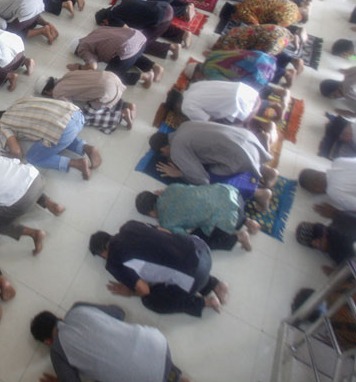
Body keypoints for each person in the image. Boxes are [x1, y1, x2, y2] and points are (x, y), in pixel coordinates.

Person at [89, 220, 228, 317]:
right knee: (179, 263)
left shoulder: (113, 261)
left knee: (150, 300)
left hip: (195, 276)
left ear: (103, 254)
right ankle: (215, 284)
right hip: (202, 249)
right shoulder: (129, 225)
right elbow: (164, 231)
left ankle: (205, 302)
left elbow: (144, 289)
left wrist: (131, 292)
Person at [29, 304, 191, 382]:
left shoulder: (57, 351)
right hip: (156, 342)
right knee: (162, 369)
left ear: (48, 341)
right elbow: (119, 312)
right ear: (60, 318)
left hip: (143, 375)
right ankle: (174, 376)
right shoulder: (77, 308)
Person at [149, 121, 277, 210]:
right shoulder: (184, 126)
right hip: (245, 137)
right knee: (222, 153)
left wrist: (180, 173)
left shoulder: (176, 149)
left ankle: (258, 193)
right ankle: (267, 171)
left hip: (240, 156)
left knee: (212, 178)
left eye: (165, 154)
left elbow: (201, 178)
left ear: (164, 149)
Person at [0, 97, 102, 178]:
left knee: (32, 157)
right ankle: (87, 148)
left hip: (63, 130)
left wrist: (12, 155)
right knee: (57, 132)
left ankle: (76, 163)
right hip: (76, 113)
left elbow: (17, 152)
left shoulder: (1, 125)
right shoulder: (18, 102)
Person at [136, 183, 259, 251]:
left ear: (150, 213)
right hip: (233, 194)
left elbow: (186, 238)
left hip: (230, 220)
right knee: (214, 203)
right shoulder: (171, 188)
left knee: (200, 242)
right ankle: (247, 221)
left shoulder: (165, 222)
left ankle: (238, 238)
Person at [37, 70, 136, 132]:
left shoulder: (57, 92)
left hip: (107, 92)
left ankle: (121, 115)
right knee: (98, 94)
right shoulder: (68, 75)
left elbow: (71, 109)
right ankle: (125, 105)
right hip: (113, 78)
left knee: (84, 118)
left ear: (47, 91)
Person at [69, 25, 157, 86]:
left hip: (127, 49)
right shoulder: (97, 31)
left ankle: (145, 76)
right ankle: (154, 66)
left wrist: (79, 67)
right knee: (131, 54)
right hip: (139, 38)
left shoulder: (82, 48)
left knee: (109, 77)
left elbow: (93, 66)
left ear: (77, 51)